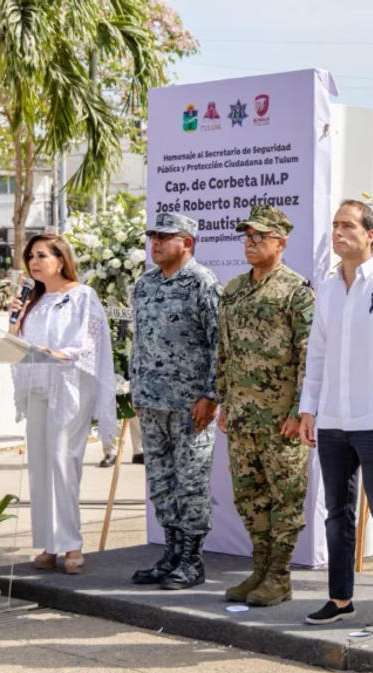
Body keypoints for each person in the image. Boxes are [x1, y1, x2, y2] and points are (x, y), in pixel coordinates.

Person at [299, 200, 373, 632]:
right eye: (334, 225)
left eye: (347, 226)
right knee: (336, 513)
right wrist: (308, 409)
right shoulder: (329, 288)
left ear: (371, 234)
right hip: (333, 419)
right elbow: (317, 353)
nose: (338, 233)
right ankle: (340, 598)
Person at [217, 205, 314, 606]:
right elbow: (225, 351)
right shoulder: (234, 288)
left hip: (280, 419)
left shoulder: (296, 290)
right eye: (247, 237)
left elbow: (309, 355)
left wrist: (298, 412)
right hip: (241, 416)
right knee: (249, 496)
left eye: (259, 237)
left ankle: (279, 576)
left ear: (281, 242)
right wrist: (224, 400)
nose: (250, 243)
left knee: (285, 498)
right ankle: (259, 569)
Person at [10, 234, 115, 575]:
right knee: (40, 464)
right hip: (37, 385)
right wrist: (16, 317)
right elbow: (16, 342)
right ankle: (49, 544)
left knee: (62, 461)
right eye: (30, 256)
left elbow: (90, 340)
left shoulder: (82, 295)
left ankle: (72, 544)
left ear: (61, 258)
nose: (34, 261)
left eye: (41, 255)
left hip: (69, 386)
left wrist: (62, 354)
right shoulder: (34, 301)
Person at [129, 212, 221, 590]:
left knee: (191, 483)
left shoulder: (203, 283)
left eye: (165, 238)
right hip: (152, 402)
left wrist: (211, 396)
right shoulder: (145, 283)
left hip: (189, 406)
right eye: (153, 237)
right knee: (162, 482)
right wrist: (137, 390)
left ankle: (192, 560)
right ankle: (171, 553)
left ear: (188, 243)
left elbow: (219, 344)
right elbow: (140, 340)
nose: (156, 243)